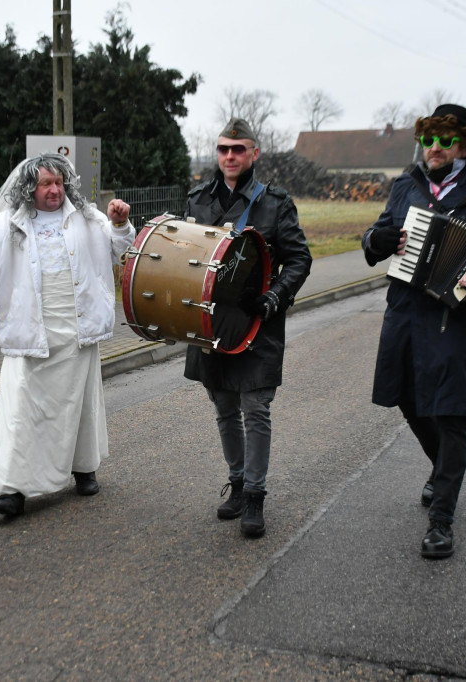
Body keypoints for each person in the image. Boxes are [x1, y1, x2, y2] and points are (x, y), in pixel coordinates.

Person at [0, 152, 135, 516]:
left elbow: (122, 249)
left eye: (58, 182)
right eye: (45, 184)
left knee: (79, 405)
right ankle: (14, 489)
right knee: (21, 411)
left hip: (76, 329)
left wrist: (120, 223)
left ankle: (84, 468)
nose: (54, 190)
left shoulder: (86, 217)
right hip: (31, 332)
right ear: (29, 188)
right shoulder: (9, 225)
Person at [361, 104, 466, 559]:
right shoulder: (404, 187)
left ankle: (442, 521)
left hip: (456, 320)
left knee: (451, 415)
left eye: (447, 140)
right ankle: (442, 470)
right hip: (406, 314)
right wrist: (377, 241)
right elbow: (377, 236)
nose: (435, 147)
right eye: (430, 139)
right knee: (409, 401)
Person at [184, 117, 312, 539]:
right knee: (224, 409)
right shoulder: (199, 200)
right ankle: (238, 483)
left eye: (238, 149)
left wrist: (276, 296)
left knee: (255, 409)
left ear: (254, 153)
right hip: (212, 323)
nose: (229, 157)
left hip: (259, 322)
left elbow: (299, 259)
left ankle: (256, 494)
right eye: (223, 149)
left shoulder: (275, 202)